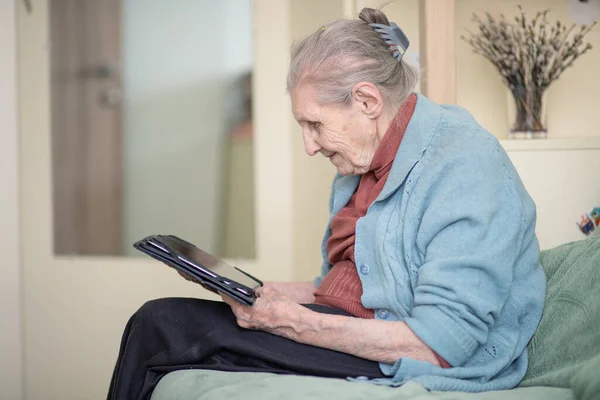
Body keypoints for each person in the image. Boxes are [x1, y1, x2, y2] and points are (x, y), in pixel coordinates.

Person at [107, 8, 546, 399]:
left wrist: (292, 322)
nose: (309, 147)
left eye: (314, 124)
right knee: (164, 321)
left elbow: (441, 342)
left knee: (162, 325)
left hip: (412, 355)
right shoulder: (361, 165)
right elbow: (347, 286)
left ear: (368, 101)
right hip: (363, 333)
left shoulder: (464, 165)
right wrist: (270, 295)